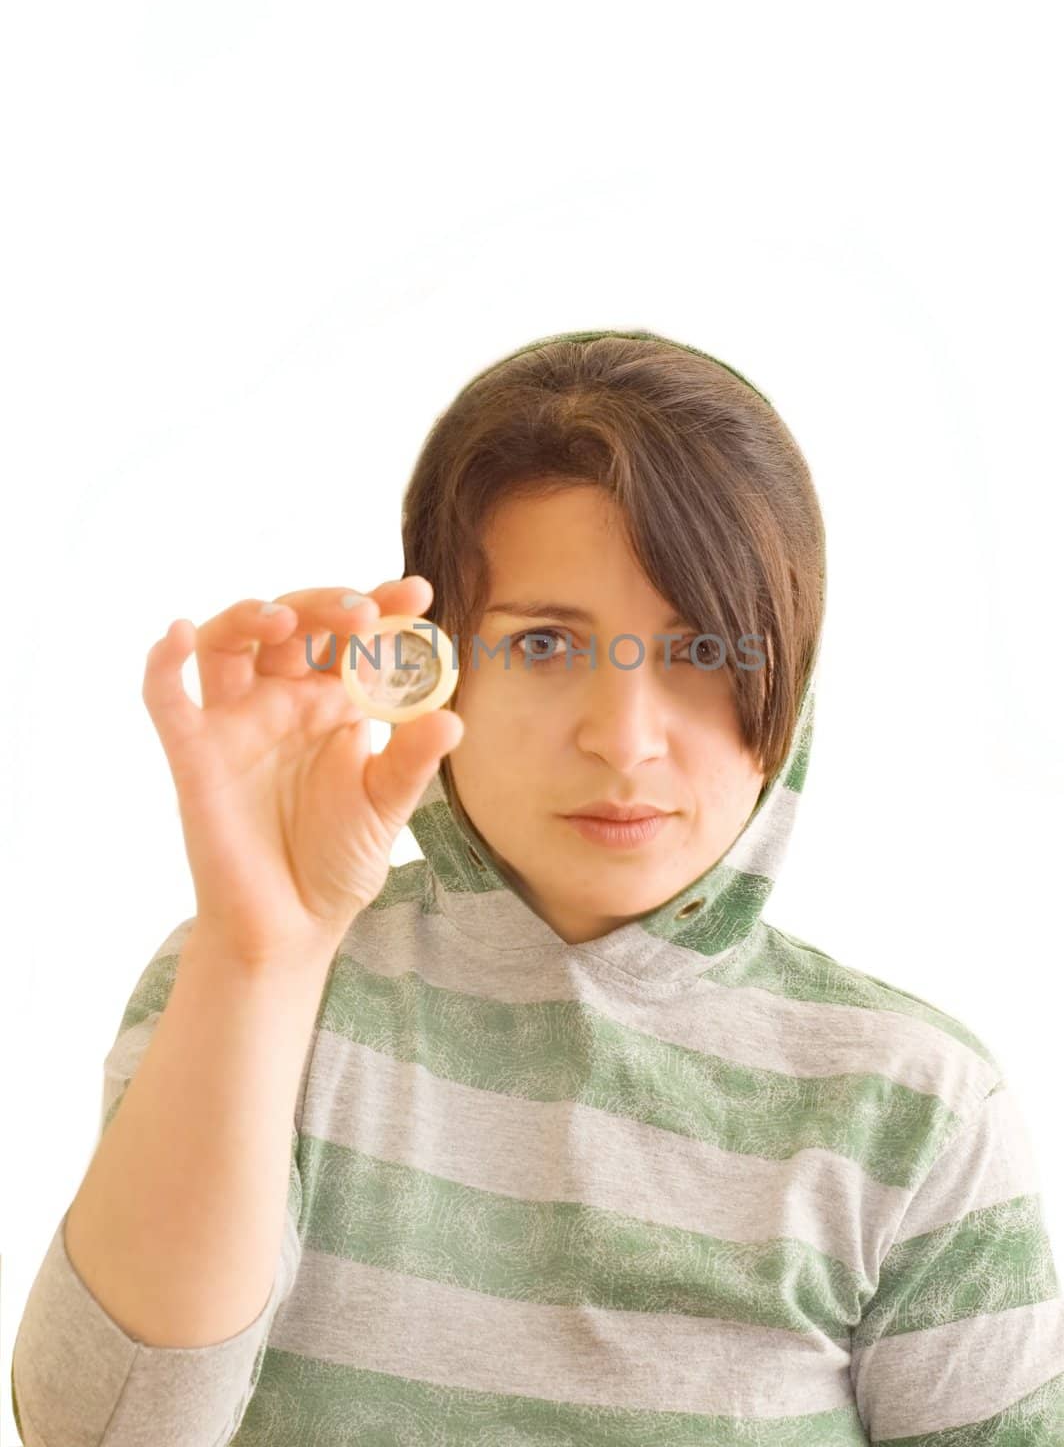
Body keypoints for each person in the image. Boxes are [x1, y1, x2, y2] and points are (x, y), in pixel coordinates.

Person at [12, 329, 1064, 1445]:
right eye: (547, 644)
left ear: (790, 677)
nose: (623, 741)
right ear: (431, 661)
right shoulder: (249, 993)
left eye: (704, 649)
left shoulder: (912, 1108)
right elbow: (99, 1431)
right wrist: (259, 952)